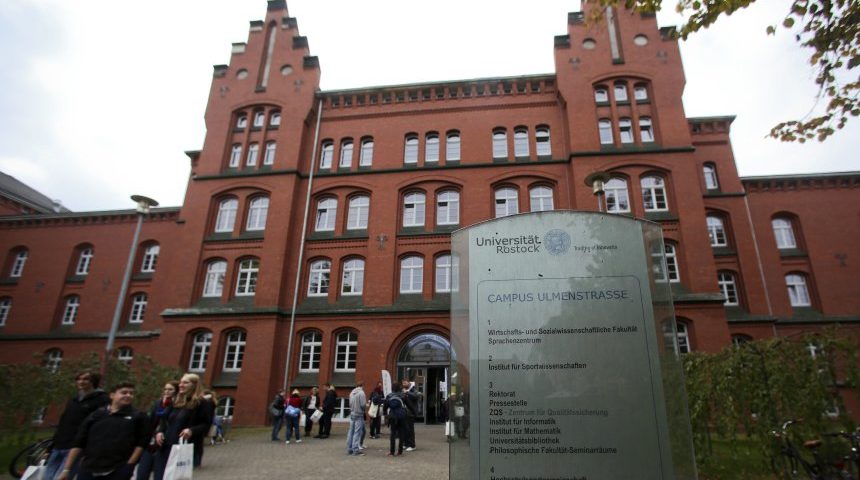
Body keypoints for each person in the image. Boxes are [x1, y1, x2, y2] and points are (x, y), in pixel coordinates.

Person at [57, 382, 149, 480]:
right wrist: (66, 469)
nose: (128, 395)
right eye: (124, 392)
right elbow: (79, 442)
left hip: (117, 470)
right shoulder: (96, 415)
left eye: (131, 393)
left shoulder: (138, 417)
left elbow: (141, 443)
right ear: (112, 395)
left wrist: (129, 465)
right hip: (88, 469)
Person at [45, 370, 110, 480]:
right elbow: (64, 422)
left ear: (93, 381)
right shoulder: (74, 399)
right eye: (78, 379)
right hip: (59, 445)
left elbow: (99, 426)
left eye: (85, 379)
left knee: (62, 477)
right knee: (47, 477)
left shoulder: (102, 399)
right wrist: (51, 446)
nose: (81, 382)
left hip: (76, 447)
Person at [152, 373, 214, 480]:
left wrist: (191, 430)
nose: (181, 385)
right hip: (165, 445)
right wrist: (160, 432)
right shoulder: (175, 400)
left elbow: (206, 424)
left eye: (185, 383)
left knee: (175, 477)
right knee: (159, 476)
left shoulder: (202, 403)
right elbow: (164, 420)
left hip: (181, 447)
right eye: (181, 382)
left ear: (194, 385)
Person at [136, 381, 178, 480]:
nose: (167, 391)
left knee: (159, 474)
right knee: (142, 472)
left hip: (165, 443)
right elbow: (151, 421)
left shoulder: (177, 406)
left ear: (176, 391)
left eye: (170, 389)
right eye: (165, 389)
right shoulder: (158, 403)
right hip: (151, 442)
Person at [383, 384, 408, 456]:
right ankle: (400, 451)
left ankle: (392, 452)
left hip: (393, 416)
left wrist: (386, 415)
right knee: (401, 433)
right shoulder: (403, 395)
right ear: (399, 388)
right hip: (401, 416)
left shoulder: (389, 396)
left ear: (392, 388)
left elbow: (385, 407)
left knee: (393, 434)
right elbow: (409, 405)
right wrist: (414, 412)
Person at [346, 381, 366, 456]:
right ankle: (355, 450)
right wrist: (364, 409)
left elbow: (350, 404)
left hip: (352, 413)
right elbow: (363, 404)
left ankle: (349, 449)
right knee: (357, 432)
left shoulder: (351, 393)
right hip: (359, 414)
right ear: (362, 386)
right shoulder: (361, 393)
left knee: (351, 431)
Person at [400, 378, 419, 451]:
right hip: (404, 412)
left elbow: (416, 396)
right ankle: (406, 444)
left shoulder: (413, 389)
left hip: (411, 412)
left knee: (410, 429)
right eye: (403, 383)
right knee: (405, 429)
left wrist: (407, 392)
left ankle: (412, 445)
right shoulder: (403, 390)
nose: (404, 384)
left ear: (409, 383)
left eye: (405, 383)